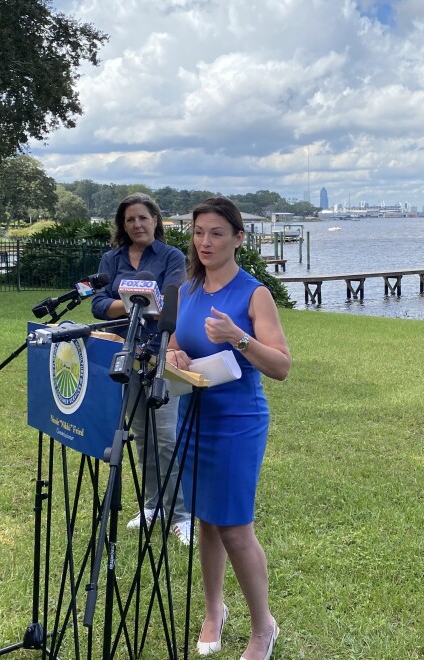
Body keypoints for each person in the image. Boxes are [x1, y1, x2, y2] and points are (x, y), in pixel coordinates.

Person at [167, 196, 290, 659]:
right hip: (193, 417)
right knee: (206, 521)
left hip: (237, 422)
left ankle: (264, 627)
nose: (205, 241)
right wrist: (174, 355)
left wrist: (238, 338)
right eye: (199, 232)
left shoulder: (254, 293)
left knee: (236, 528)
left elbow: (281, 366)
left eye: (216, 232)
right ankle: (214, 609)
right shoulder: (187, 289)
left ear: (239, 238)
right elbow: (177, 343)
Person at [90, 193, 193, 544]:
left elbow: (171, 299)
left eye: (143, 218)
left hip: (162, 351)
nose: (137, 225)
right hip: (124, 353)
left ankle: (181, 513)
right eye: (130, 219)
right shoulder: (111, 259)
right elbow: (98, 304)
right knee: (142, 435)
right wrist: (132, 304)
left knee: (165, 435)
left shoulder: (171, 256)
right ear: (123, 224)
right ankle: (153, 506)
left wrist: (143, 304)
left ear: (156, 221)